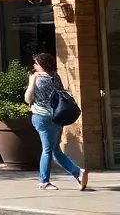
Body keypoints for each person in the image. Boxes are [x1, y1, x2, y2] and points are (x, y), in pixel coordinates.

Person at [25, 52, 88, 191]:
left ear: (41, 64)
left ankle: (44, 182)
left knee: (47, 150)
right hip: (58, 118)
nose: (34, 66)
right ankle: (78, 173)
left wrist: (31, 82)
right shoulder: (55, 77)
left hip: (41, 117)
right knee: (55, 149)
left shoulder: (38, 80)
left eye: (36, 63)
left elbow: (28, 99)